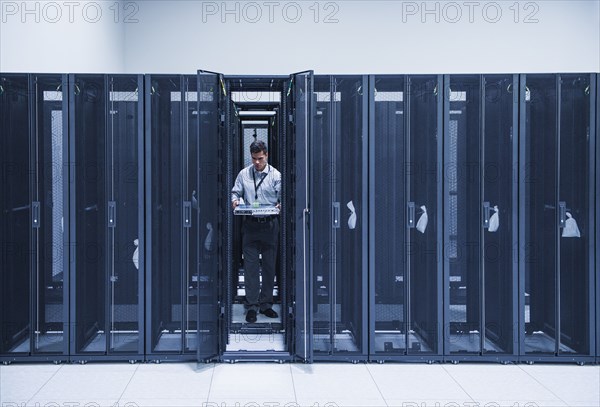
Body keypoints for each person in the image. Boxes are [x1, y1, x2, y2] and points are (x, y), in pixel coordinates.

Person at [231, 140, 281, 323]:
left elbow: (282, 198)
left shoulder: (276, 175)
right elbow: (235, 193)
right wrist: (235, 201)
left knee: (269, 266)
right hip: (250, 225)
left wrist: (280, 204)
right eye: (254, 159)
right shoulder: (244, 174)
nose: (257, 163)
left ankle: (266, 304)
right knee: (251, 267)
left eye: (260, 158)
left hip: (270, 225)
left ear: (266, 155)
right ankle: (252, 306)